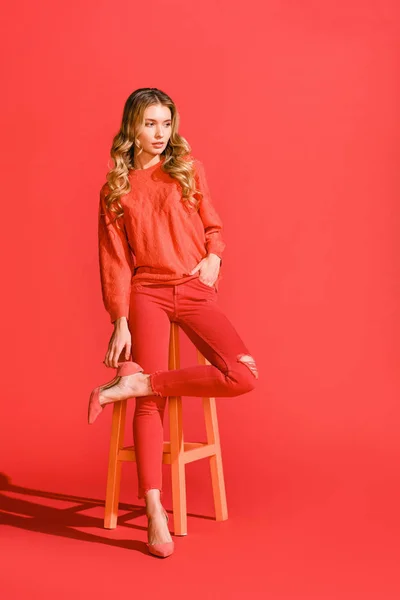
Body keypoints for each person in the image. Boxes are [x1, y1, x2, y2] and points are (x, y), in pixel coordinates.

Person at [88, 88, 259, 558]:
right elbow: (115, 262)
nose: (160, 134)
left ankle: (141, 382)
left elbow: (214, 226)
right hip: (148, 294)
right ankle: (154, 510)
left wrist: (214, 258)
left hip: (195, 287)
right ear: (132, 128)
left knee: (241, 373)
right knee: (150, 407)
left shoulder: (188, 168)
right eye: (149, 124)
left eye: (166, 123)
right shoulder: (116, 189)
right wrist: (120, 321)